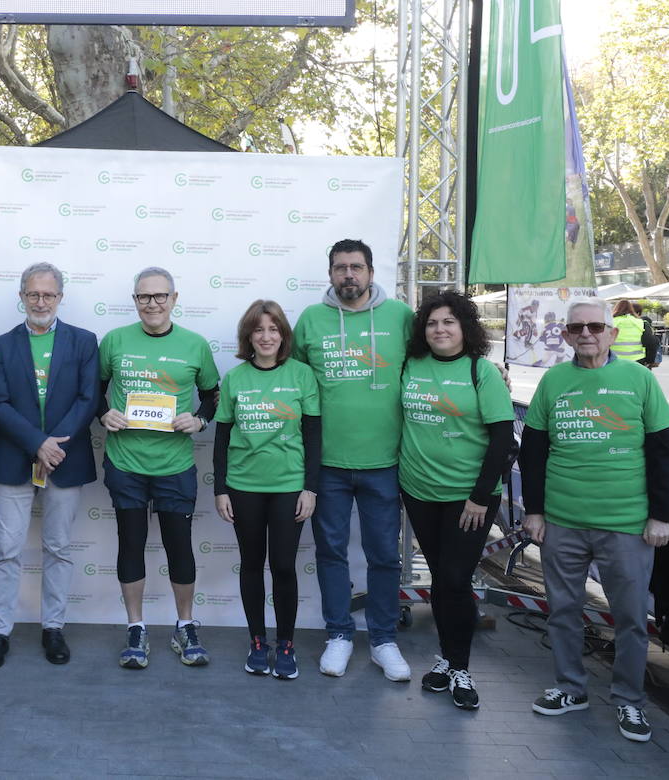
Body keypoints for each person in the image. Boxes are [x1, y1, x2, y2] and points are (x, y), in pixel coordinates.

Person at [519, 299, 669, 743]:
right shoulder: (553, 381)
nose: (586, 333)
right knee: (563, 611)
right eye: (576, 328)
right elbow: (532, 452)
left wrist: (660, 516)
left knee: (629, 617)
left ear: (612, 333)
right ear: (566, 336)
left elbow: (666, 450)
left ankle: (629, 701)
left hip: (627, 524)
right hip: (562, 523)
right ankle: (571, 688)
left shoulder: (639, 379)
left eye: (595, 326)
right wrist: (533, 511)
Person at [292, 238, 413, 682]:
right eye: (341, 268)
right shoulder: (311, 320)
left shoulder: (401, 317)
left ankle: (383, 640)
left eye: (356, 267)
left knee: (384, 555)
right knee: (331, 552)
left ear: (371, 272)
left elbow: (430, 366)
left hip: (385, 462)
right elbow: (297, 383)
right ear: (329, 274)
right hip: (328, 464)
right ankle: (339, 634)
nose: (349, 275)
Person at [0, 262, 100, 670]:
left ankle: (53, 628)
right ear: (22, 296)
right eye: (33, 294)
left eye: (49, 294)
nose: (41, 301)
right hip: (17, 458)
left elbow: (88, 399)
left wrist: (54, 447)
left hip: (66, 458)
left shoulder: (84, 342)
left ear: (60, 298)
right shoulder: (3, 343)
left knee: (59, 548)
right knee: (7, 550)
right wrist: (37, 444)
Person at [398, 292, 515, 709]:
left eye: (449, 322)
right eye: (432, 323)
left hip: (470, 500)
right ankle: (447, 661)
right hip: (419, 492)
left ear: (465, 327)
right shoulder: (409, 366)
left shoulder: (481, 371)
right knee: (441, 577)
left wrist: (481, 497)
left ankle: (460, 667)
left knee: (453, 578)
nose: (440, 329)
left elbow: (503, 437)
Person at [98, 266, 219, 670]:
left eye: (160, 296)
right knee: (130, 546)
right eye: (144, 297)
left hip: (175, 464)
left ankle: (185, 624)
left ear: (174, 298)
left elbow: (212, 395)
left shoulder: (195, 345)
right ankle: (136, 628)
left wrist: (200, 420)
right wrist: (104, 414)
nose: (152, 304)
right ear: (135, 300)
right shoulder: (114, 341)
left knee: (179, 547)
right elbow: (93, 390)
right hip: (126, 463)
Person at [212, 299, 319, 680]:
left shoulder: (302, 375)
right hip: (244, 487)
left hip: (289, 486)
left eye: (273, 329)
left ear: (283, 335)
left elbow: (313, 434)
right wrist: (220, 489)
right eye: (258, 329)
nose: (266, 336)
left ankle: (286, 644)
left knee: (284, 566)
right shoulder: (235, 379)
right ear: (248, 336)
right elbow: (222, 437)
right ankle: (258, 641)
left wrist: (311, 488)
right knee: (252, 565)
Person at [611, 300, 659, 369]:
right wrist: (649, 361)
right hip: (637, 361)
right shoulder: (641, 323)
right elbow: (651, 343)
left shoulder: (610, 323)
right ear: (631, 309)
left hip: (613, 361)